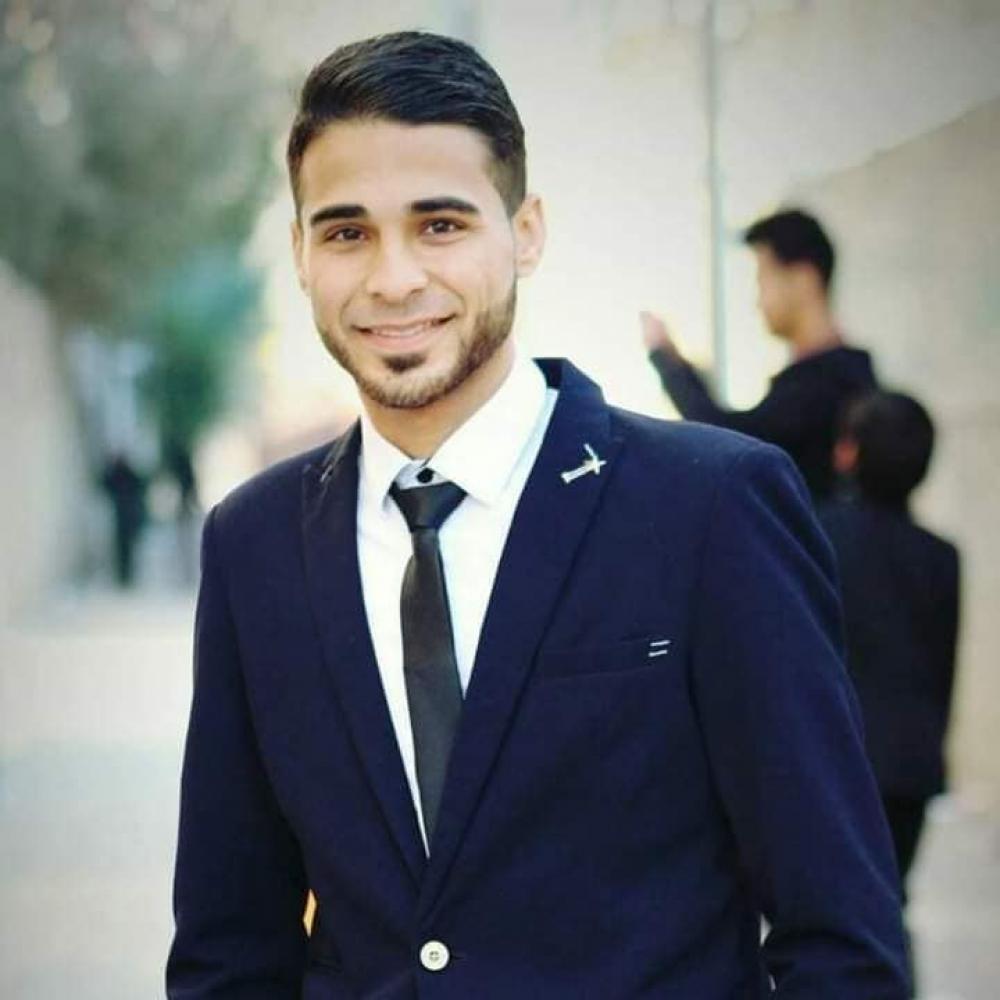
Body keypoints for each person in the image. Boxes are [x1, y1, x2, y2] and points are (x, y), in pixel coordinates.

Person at [167, 32, 908, 998]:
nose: (393, 277)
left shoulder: (711, 506)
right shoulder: (253, 543)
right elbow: (229, 944)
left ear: (526, 233)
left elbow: (842, 936)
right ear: (303, 256)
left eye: (440, 224)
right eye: (346, 233)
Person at [820, 391, 961, 897]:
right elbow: (943, 670)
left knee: (831, 909)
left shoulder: (818, 533)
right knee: (886, 905)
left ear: (848, 453)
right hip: (910, 764)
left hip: (834, 759)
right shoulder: (939, 557)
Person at [641, 208, 877, 500]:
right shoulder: (839, 377)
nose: (758, 302)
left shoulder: (824, 384)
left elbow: (733, 443)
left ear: (803, 279)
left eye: (763, 280)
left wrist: (667, 361)